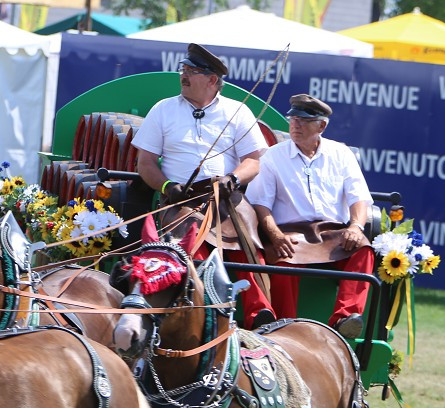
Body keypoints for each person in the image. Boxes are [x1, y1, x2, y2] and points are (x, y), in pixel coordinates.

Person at [131, 43, 274, 330]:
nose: (184, 76)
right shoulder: (163, 110)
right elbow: (145, 164)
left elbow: (254, 161)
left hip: (227, 196)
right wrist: (168, 186)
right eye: (183, 69)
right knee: (190, 244)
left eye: (192, 71)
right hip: (181, 198)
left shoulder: (238, 111)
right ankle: (202, 309)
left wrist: (233, 178)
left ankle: (261, 312)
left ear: (212, 80)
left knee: (246, 241)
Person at [245, 94, 374, 339]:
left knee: (362, 249)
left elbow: (359, 197)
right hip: (291, 232)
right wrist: (275, 234)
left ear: (321, 126)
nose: (295, 125)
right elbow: (260, 205)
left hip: (334, 231)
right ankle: (284, 326)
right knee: (283, 258)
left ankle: (345, 319)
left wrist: (356, 226)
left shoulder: (341, 153)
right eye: (293, 119)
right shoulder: (273, 155)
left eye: (304, 121)